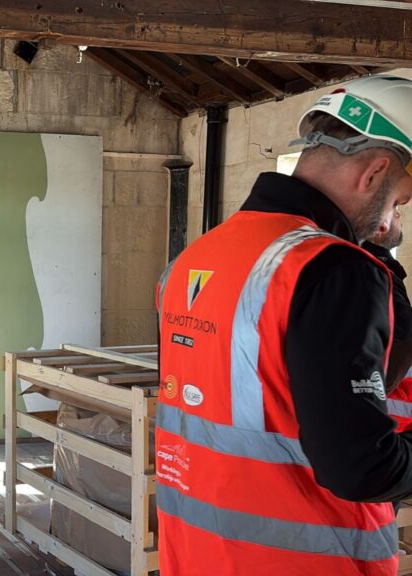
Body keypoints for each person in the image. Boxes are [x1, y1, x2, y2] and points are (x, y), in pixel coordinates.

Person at [156, 75, 412, 576]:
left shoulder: (194, 259)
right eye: (399, 198)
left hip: (196, 556)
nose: (396, 213)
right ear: (374, 172)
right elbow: (361, 466)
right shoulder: (334, 269)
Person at [365, 212, 412, 431]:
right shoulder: (379, 275)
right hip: (386, 429)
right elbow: (401, 346)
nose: (399, 215)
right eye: (393, 211)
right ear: (378, 228)